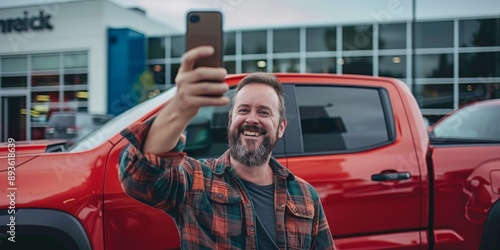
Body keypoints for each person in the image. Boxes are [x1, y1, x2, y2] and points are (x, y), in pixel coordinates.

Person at [119, 46, 335, 249]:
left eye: (264, 112)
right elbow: (138, 177)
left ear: (281, 128)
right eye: (243, 110)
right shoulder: (195, 181)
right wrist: (180, 107)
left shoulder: (305, 195)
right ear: (231, 119)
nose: (252, 119)